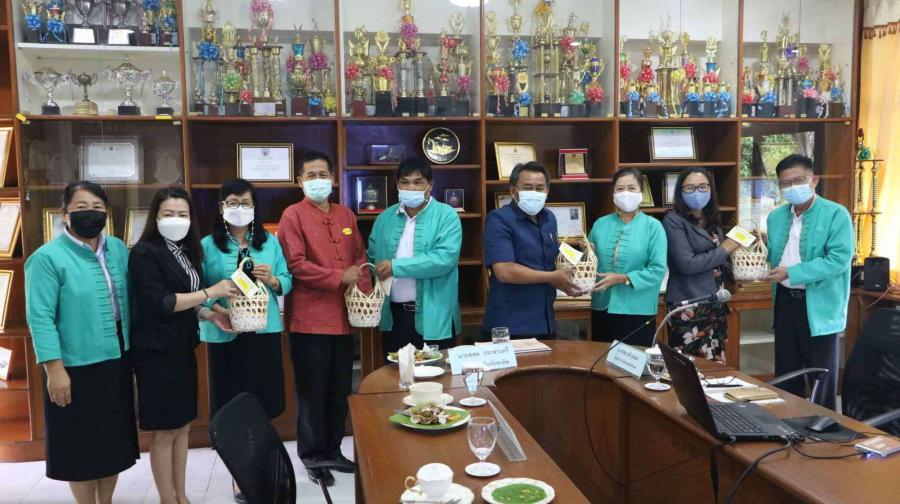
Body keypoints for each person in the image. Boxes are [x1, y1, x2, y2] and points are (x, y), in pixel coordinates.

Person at [25, 181, 138, 504]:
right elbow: (40, 318)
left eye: (98, 208)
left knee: (113, 444)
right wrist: (54, 370)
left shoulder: (117, 248)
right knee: (81, 448)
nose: (91, 214)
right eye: (82, 208)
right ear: (65, 213)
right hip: (74, 367)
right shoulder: (47, 258)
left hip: (116, 359)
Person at [130, 188, 237, 504]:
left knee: (182, 427)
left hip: (182, 348)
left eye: (182, 214)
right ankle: (167, 498)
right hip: (155, 353)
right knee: (165, 431)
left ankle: (181, 495)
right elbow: (161, 303)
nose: (176, 220)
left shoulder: (187, 251)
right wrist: (211, 293)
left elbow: (187, 301)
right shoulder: (145, 253)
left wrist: (211, 314)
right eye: (168, 214)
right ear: (155, 216)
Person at [278, 151, 368, 486]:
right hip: (309, 320)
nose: (318, 180)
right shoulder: (293, 215)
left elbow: (359, 256)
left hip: (345, 318)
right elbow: (295, 264)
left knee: (339, 390)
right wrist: (338, 276)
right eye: (310, 175)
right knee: (312, 393)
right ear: (299, 181)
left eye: (323, 174)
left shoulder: (345, 214)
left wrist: (364, 290)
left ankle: (333, 449)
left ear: (333, 178)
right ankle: (313, 457)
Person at [200, 179, 293, 502]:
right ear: (221, 207)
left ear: (254, 207)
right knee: (232, 408)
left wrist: (274, 280)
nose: (239, 208)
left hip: (263, 333)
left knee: (263, 403)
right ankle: (240, 477)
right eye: (232, 202)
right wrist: (216, 306)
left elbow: (287, 281)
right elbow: (198, 289)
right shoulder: (207, 245)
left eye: (245, 202)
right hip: (225, 334)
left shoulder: (270, 242)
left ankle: (266, 469)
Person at [761, 154, 853, 410]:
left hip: (820, 306)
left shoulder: (836, 214)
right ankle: (786, 425)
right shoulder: (775, 216)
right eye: (785, 183)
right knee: (786, 373)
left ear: (814, 180)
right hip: (785, 302)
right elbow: (773, 256)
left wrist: (792, 273)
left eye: (798, 180)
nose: (792, 187)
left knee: (820, 377)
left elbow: (838, 260)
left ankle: (823, 427)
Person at [368, 156, 462, 352]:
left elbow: (443, 260)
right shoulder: (384, 217)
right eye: (405, 182)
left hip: (435, 316)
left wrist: (395, 266)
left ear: (430, 185)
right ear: (397, 184)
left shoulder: (447, 215)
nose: (411, 187)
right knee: (395, 371)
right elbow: (372, 258)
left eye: (418, 182)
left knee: (436, 371)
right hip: (395, 317)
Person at [483, 161, 581, 340]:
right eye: (528, 188)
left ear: (547, 191)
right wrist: (552, 277)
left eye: (539, 188)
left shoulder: (549, 218)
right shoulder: (498, 219)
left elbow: (552, 252)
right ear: (513, 191)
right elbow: (504, 271)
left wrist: (580, 252)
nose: (534, 193)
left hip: (546, 322)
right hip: (510, 325)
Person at [663, 167, 740, 361]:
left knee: (715, 363)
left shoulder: (711, 218)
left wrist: (737, 264)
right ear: (680, 191)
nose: (697, 192)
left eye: (703, 186)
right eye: (690, 188)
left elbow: (718, 261)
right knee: (689, 365)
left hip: (716, 302)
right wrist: (724, 248)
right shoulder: (673, 220)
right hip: (688, 304)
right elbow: (686, 264)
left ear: (710, 189)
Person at [588, 168, 667, 346]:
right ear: (613, 193)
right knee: (600, 359)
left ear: (641, 192)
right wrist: (586, 254)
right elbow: (589, 264)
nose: (625, 193)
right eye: (620, 189)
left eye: (631, 188)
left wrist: (622, 278)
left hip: (638, 311)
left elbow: (657, 270)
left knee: (633, 360)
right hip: (602, 308)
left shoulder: (653, 227)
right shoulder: (600, 224)